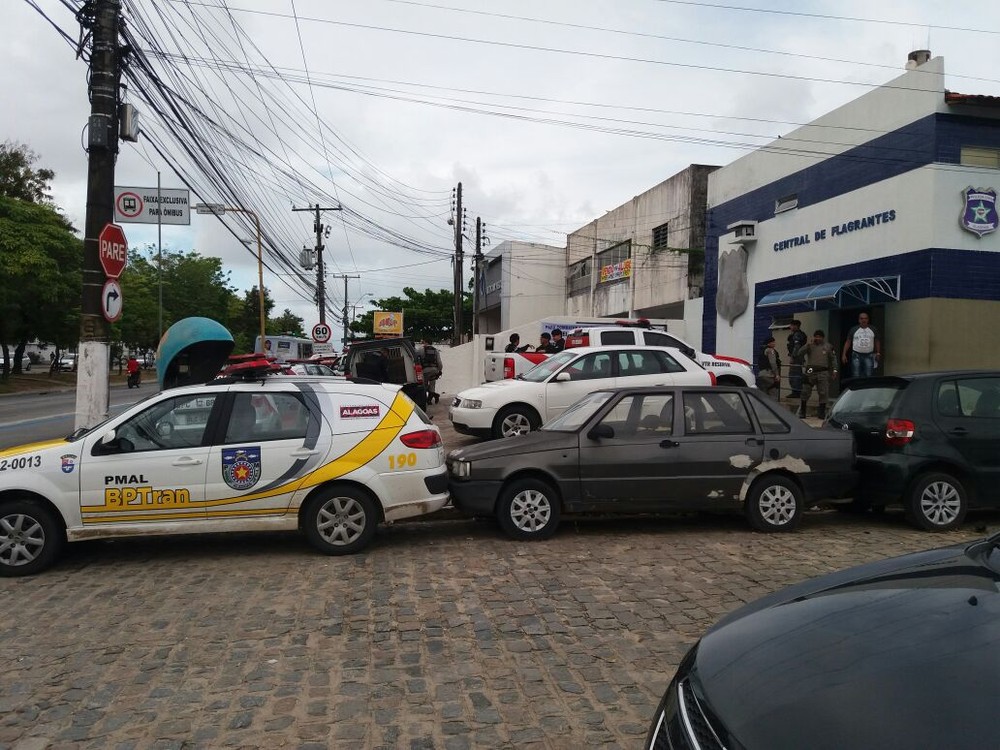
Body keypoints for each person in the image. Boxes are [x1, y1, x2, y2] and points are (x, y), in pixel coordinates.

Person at [794, 330, 838, 419]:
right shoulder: (810, 346)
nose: (817, 338)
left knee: (823, 392)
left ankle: (821, 412)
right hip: (810, 370)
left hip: (823, 371)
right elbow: (799, 353)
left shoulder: (828, 346)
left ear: (823, 338)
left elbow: (833, 359)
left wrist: (835, 370)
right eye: (816, 336)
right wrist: (807, 345)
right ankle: (802, 411)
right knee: (805, 391)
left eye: (819, 337)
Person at [842, 311, 881, 379]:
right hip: (856, 355)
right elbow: (848, 342)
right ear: (859, 320)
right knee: (855, 374)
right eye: (862, 318)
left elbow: (877, 341)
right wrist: (844, 354)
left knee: (869, 375)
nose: (864, 320)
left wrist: (878, 353)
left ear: (868, 319)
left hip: (869, 355)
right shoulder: (854, 329)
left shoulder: (873, 329)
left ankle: (867, 389)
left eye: (865, 318)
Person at [785, 319, 807, 399]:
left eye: (791, 325)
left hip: (796, 358)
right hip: (798, 357)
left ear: (795, 326)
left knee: (794, 375)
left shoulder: (797, 335)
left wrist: (793, 357)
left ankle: (796, 392)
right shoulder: (797, 334)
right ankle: (796, 391)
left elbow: (797, 347)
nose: (790, 327)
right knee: (795, 374)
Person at [421, 339, 443, 405]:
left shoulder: (421, 350)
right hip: (434, 371)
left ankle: (426, 400)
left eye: (423, 342)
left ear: (425, 342)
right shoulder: (436, 350)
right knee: (432, 385)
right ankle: (430, 400)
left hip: (424, 371)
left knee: (424, 386)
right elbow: (439, 363)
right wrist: (439, 370)